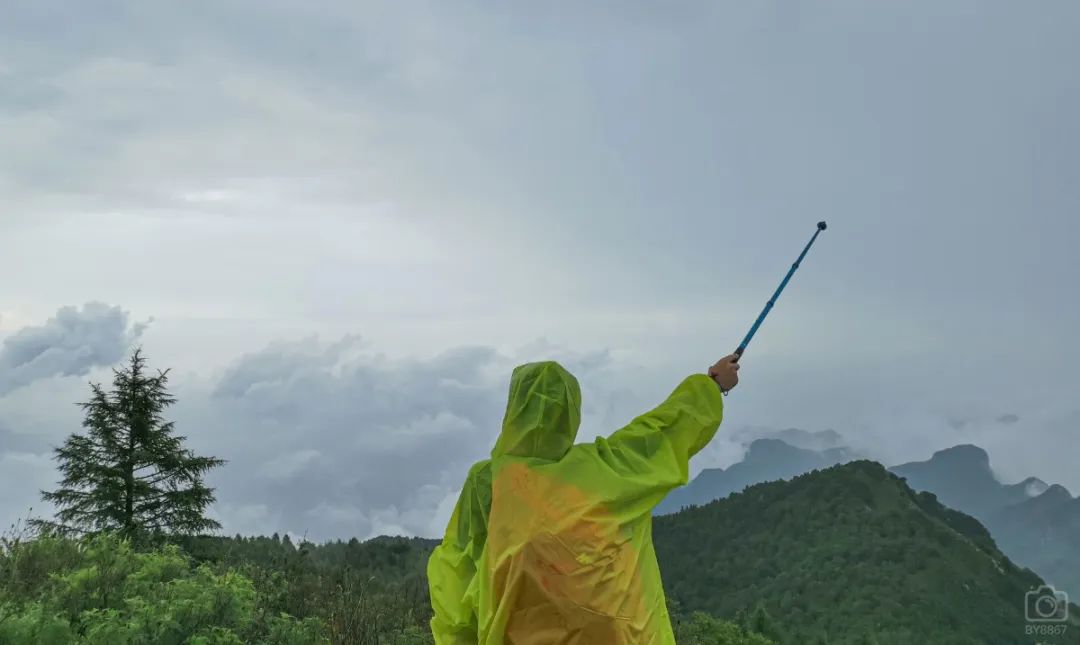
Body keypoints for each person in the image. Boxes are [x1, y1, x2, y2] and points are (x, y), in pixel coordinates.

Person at [428, 355, 740, 644]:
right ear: (571, 413)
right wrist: (712, 385)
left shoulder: (488, 482)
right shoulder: (606, 469)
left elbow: (455, 569)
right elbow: (664, 430)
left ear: (513, 410)